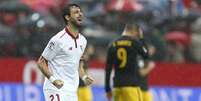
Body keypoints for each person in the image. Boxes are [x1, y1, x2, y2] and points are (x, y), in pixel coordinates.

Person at [37, 4, 94, 101]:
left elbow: (78, 65)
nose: (80, 14)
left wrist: (84, 77)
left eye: (80, 12)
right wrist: (53, 80)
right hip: (55, 89)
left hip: (72, 91)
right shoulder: (58, 40)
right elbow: (41, 62)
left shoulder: (83, 41)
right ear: (67, 17)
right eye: (76, 12)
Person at [105, 22, 149, 101]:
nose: (136, 36)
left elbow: (108, 69)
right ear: (134, 31)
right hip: (131, 85)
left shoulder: (112, 44)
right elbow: (146, 55)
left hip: (117, 86)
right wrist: (142, 38)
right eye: (137, 34)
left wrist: (107, 89)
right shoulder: (134, 42)